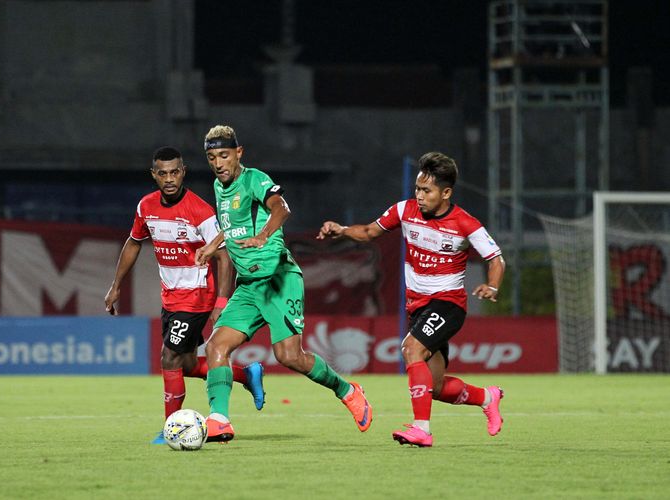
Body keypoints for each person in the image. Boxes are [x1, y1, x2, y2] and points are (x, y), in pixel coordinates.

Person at [195, 125, 373, 442]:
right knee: (216, 347)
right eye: (212, 158)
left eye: (224, 155)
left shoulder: (254, 179)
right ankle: (219, 420)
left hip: (279, 279)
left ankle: (346, 389)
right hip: (249, 286)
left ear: (239, 153)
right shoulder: (219, 187)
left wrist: (264, 235)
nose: (218, 163)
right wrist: (212, 246)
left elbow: (282, 208)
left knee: (289, 356)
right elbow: (232, 226)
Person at [318, 152, 505, 447]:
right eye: (417, 189)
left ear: (446, 193)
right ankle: (487, 398)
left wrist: (492, 286)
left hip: (448, 304)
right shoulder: (404, 210)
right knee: (437, 386)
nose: (419, 196)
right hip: (418, 307)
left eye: (426, 191)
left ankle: (422, 429)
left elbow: (496, 259)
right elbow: (368, 232)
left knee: (411, 349)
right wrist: (341, 230)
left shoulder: (465, 223)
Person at [104, 146, 265, 444]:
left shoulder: (201, 211)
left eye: (174, 172)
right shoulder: (145, 207)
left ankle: (171, 429)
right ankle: (246, 374)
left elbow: (224, 255)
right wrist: (116, 285)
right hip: (171, 298)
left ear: (183, 172)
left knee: (169, 357)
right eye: (162, 173)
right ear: (154, 175)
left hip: (196, 297)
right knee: (187, 364)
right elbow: (134, 242)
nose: (169, 179)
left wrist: (220, 301)